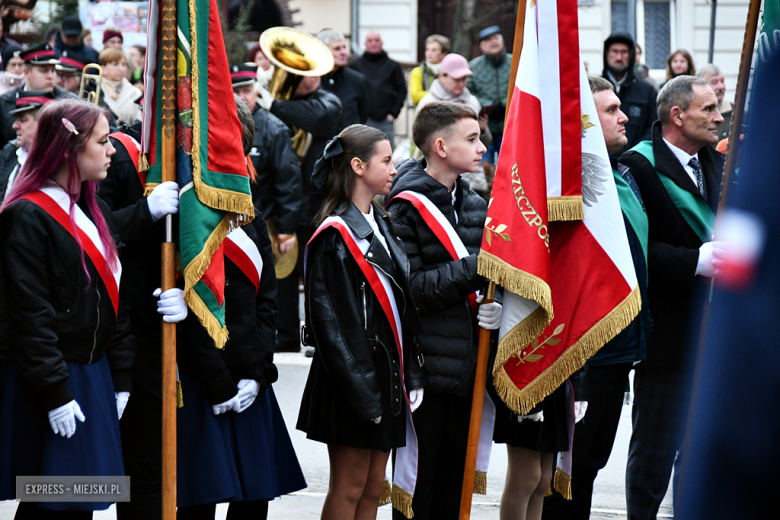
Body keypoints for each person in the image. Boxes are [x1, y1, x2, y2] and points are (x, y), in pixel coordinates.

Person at [0, 98, 136, 518]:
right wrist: (55, 391)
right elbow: (29, 314)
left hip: (92, 372)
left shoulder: (94, 209)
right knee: (50, 500)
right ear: (68, 150)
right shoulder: (28, 215)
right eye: (102, 141)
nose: (111, 150)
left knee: (81, 500)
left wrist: (122, 375)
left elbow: (114, 299)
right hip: (53, 376)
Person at [175, 98, 306, 520]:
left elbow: (267, 301)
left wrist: (258, 373)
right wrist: (218, 382)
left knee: (254, 501)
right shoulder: (183, 212)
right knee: (200, 500)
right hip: (203, 381)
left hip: (249, 378)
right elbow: (190, 310)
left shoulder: (250, 213)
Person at [541, 76, 653, 520]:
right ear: (584, 121)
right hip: (582, 355)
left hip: (619, 347)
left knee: (588, 467)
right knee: (564, 476)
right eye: (610, 110)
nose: (624, 117)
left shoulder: (621, 175)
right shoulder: (567, 184)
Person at [297, 124, 420, 520]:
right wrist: (365, 395)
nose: (394, 168)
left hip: (384, 376)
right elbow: (333, 327)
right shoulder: (334, 234)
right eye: (386, 161)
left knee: (372, 487)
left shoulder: (381, 222)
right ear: (358, 166)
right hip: (351, 380)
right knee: (349, 486)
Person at [385, 102, 502, 520]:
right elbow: (414, 289)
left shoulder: (475, 204)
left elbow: (491, 279)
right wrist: (478, 268)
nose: (482, 147)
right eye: (471, 139)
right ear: (440, 146)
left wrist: (496, 306)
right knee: (420, 489)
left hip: (469, 366)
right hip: (426, 369)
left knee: (454, 489)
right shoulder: (404, 206)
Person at [619, 75, 724, 520]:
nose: (719, 117)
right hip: (667, 335)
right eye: (709, 109)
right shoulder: (637, 167)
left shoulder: (719, 164)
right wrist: (694, 262)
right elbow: (632, 249)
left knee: (702, 455)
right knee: (654, 452)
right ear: (677, 115)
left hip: (716, 335)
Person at [98, 115, 180, 520]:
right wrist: (144, 212)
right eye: (100, 143)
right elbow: (93, 233)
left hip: (152, 333)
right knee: (64, 483)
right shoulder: (121, 159)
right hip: (108, 340)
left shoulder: (189, 164)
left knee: (148, 470)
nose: (108, 150)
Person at [263, 70, 341, 353]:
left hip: (314, 203)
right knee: (282, 272)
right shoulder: (280, 105)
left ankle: (317, 335)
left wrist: (274, 105)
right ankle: (285, 335)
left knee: (315, 275)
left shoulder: (327, 100)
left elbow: (320, 118)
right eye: (302, 74)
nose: (312, 77)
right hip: (283, 203)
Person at [231, 64, 302, 270]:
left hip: (264, 224)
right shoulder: (220, 127)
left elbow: (288, 182)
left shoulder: (274, 129)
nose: (241, 97)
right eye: (236, 92)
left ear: (257, 92)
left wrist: (286, 229)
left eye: (246, 91)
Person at [415, 53, 492, 193]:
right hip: (439, 180)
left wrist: (483, 130)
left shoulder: (472, 101)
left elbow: (483, 144)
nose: (461, 83)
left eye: (464, 79)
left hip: (472, 181)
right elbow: (422, 143)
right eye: (456, 79)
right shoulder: (428, 103)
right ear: (442, 76)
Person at [0, 43, 75, 149]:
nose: (50, 76)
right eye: (44, 71)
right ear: (26, 72)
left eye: (53, 70)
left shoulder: (70, 102)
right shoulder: (5, 102)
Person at [601, 33, 658, 154]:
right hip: (602, 157)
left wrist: (635, 154)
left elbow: (653, 127)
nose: (619, 57)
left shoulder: (647, 90)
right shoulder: (596, 89)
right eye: (615, 51)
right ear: (607, 53)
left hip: (637, 159)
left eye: (624, 52)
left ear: (631, 55)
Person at [350, 30, 407, 144]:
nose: (373, 43)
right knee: (365, 151)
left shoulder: (393, 66)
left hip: (386, 121)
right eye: (370, 40)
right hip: (364, 120)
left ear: (381, 43)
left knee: (386, 152)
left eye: (376, 40)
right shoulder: (355, 65)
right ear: (365, 44)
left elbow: (402, 90)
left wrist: (393, 113)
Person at [467, 26, 512, 166]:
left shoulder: (516, 62)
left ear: (503, 41)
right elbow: (467, 92)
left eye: (496, 38)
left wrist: (504, 103)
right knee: (484, 168)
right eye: (488, 40)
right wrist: (487, 103)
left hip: (510, 126)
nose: (493, 42)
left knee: (511, 168)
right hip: (484, 128)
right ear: (481, 46)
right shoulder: (473, 67)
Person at [0, 91, 54, 201]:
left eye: (23, 120)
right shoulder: (10, 150)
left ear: (43, 123)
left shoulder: (56, 161)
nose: (14, 126)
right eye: (16, 120)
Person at [318, 29, 370, 129]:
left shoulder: (358, 80)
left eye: (344, 47)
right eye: (337, 49)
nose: (344, 53)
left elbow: (363, 115)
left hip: (348, 138)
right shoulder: (312, 80)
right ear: (324, 51)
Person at [98, 47, 142, 126]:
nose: (121, 69)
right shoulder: (94, 88)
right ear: (103, 68)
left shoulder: (136, 93)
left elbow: (139, 122)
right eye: (115, 64)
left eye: (124, 64)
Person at [409, 34, 451, 106]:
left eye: (434, 50)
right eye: (427, 49)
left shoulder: (450, 71)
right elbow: (415, 96)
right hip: (424, 110)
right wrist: (440, 95)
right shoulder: (418, 71)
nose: (429, 53)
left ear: (443, 53)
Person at [697, 64, 732, 141]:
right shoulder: (692, 112)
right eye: (714, 82)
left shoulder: (738, 112)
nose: (720, 87)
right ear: (700, 86)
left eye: (722, 81)